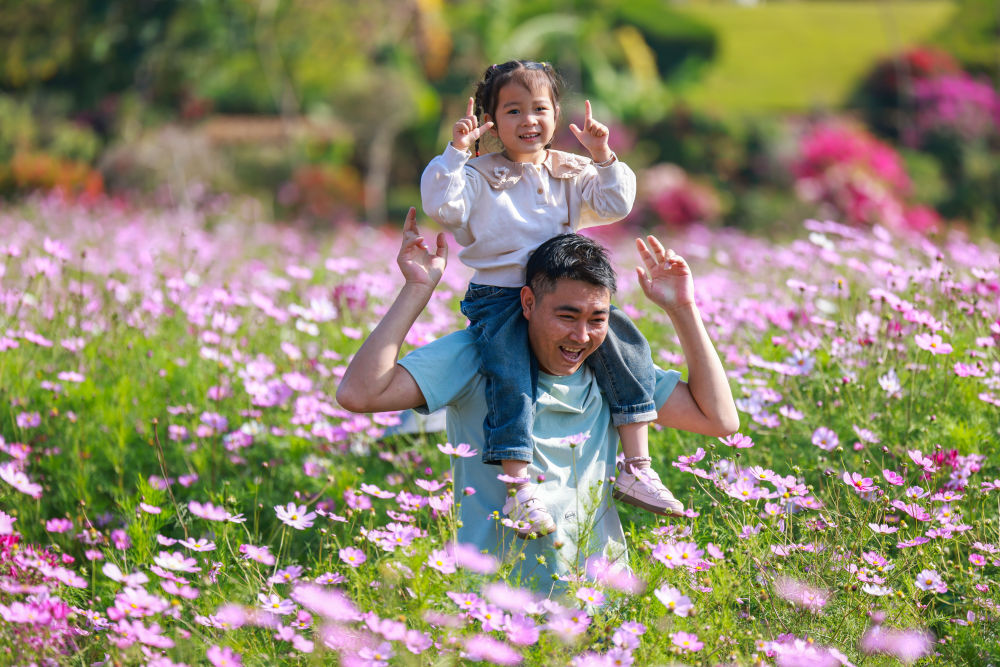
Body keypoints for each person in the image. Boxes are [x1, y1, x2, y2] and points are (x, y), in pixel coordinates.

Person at [336, 209, 739, 589]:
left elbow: (719, 420)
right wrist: (417, 289)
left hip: (598, 602)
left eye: (597, 319)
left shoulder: (614, 371)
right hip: (496, 604)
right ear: (528, 303)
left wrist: (683, 309)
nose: (581, 336)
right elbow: (359, 393)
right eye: (567, 316)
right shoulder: (477, 357)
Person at [421, 60, 671, 536]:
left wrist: (601, 154)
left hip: (562, 295)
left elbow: (617, 203)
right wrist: (456, 151)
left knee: (626, 344)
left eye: (539, 108)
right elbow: (442, 206)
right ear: (490, 120)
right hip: (499, 298)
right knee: (511, 376)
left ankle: (637, 465)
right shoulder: (476, 175)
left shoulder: (571, 170)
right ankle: (518, 490)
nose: (528, 120)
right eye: (512, 110)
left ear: (557, 114)